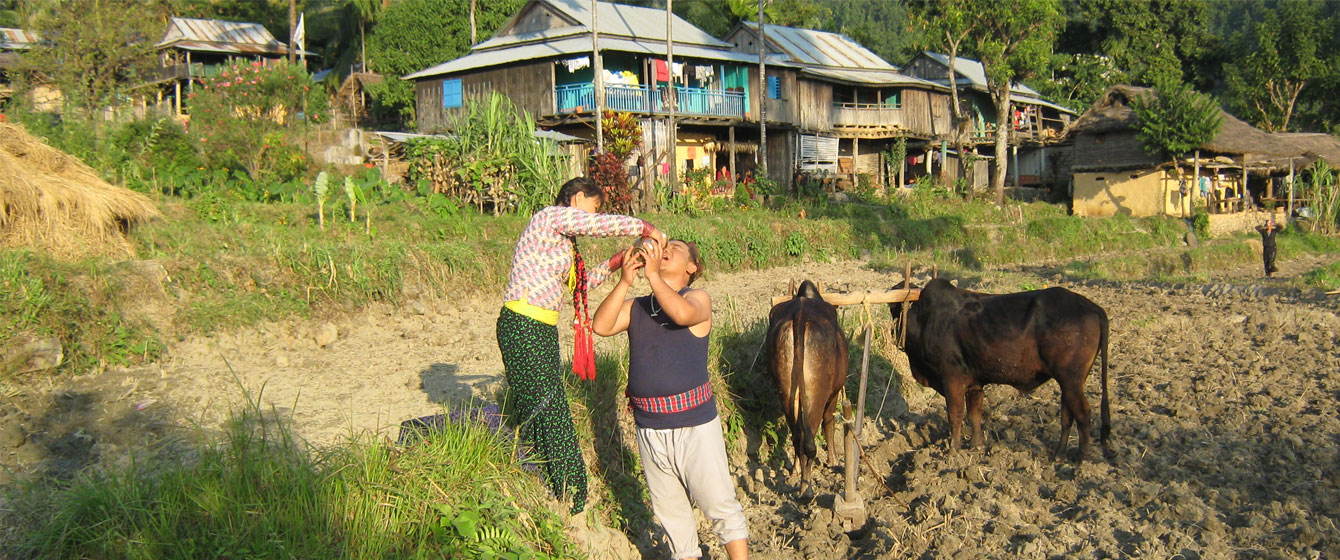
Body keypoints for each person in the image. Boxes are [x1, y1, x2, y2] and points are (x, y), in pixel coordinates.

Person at [497, 177, 665, 514]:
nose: (594, 213)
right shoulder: (549, 218)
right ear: (576, 199)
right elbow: (596, 225)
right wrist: (646, 227)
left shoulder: (562, 243)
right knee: (548, 407)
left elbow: (582, 284)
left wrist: (621, 261)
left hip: (538, 329)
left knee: (545, 405)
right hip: (523, 324)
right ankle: (569, 491)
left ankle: (554, 485)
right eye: (594, 204)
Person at [591, 240, 749, 560]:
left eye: (674, 248)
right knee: (672, 516)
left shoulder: (696, 298)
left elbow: (680, 314)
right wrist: (625, 281)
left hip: (695, 425)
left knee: (719, 505)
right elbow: (601, 325)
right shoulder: (638, 306)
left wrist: (652, 277)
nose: (664, 249)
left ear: (691, 268)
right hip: (650, 427)